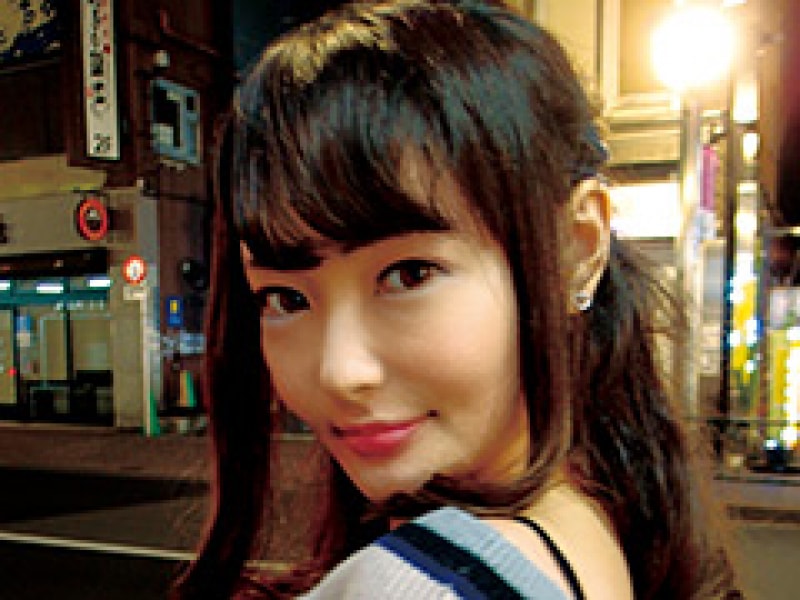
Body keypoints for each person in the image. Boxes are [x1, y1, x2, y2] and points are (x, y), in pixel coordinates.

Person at [174, 1, 740, 598]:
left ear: (577, 247)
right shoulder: (599, 521)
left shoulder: (412, 585)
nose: (341, 372)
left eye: (409, 274)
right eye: (285, 298)